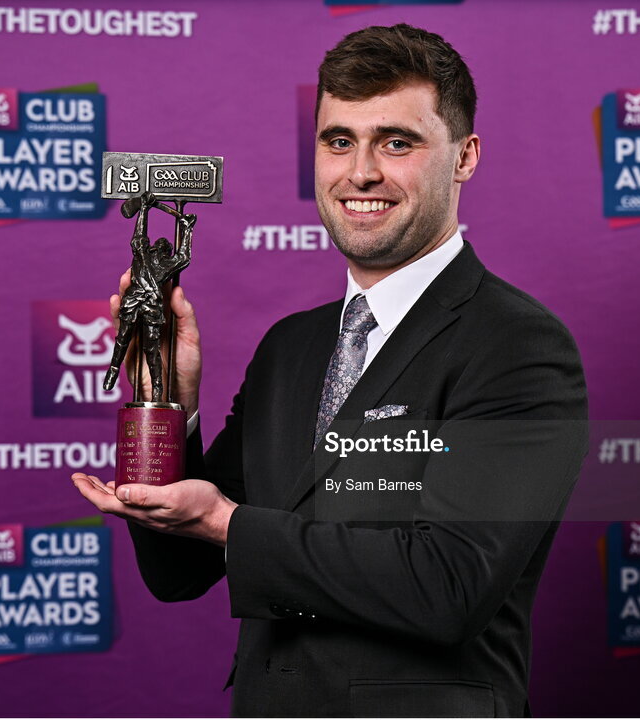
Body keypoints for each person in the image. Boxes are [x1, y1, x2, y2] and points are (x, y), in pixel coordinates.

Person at [73, 24, 587, 717]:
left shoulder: (517, 346)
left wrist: (231, 525)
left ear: (464, 158)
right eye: (338, 140)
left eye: (396, 142)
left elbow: (449, 586)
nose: (360, 172)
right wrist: (165, 399)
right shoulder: (292, 346)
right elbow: (179, 571)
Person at [102, 191, 195, 403]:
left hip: (153, 308)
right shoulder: (142, 256)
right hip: (133, 301)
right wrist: (143, 208)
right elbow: (139, 237)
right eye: (159, 244)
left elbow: (184, 257)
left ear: (167, 251)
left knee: (152, 349)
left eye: (165, 246)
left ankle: (157, 387)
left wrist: (187, 229)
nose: (161, 246)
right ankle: (113, 370)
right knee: (123, 338)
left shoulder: (167, 266)